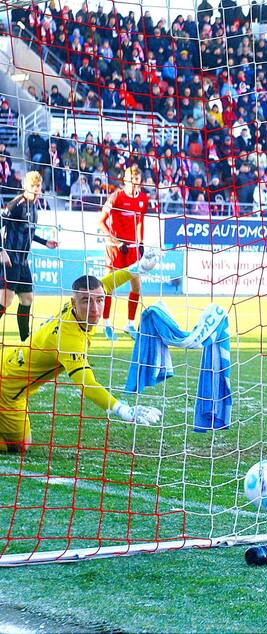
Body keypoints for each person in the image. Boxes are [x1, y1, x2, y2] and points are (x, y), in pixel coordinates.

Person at [0, 268, 162, 453]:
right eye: (87, 301)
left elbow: (106, 283)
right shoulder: (69, 340)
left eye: (100, 300)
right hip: (8, 388)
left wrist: (137, 267)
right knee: (20, 446)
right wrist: (122, 410)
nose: (95, 308)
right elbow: (87, 383)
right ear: (74, 302)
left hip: (7, 359)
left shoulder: (76, 307)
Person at [0, 171, 59, 341]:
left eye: (38, 186)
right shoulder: (16, 205)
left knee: (27, 298)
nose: (35, 189)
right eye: (32, 186)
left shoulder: (34, 206)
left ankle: (25, 341)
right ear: (24, 186)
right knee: (6, 300)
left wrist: (44, 242)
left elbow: (28, 232)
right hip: (10, 259)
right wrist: (1, 250)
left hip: (23, 261)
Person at [97, 165, 149, 340]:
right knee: (108, 287)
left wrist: (141, 242)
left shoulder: (143, 198)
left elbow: (140, 221)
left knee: (137, 287)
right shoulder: (116, 197)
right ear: (126, 181)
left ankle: (129, 324)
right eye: (132, 181)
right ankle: (106, 324)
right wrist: (117, 242)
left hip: (133, 249)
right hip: (115, 248)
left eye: (137, 181)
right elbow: (101, 222)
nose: (135, 185)